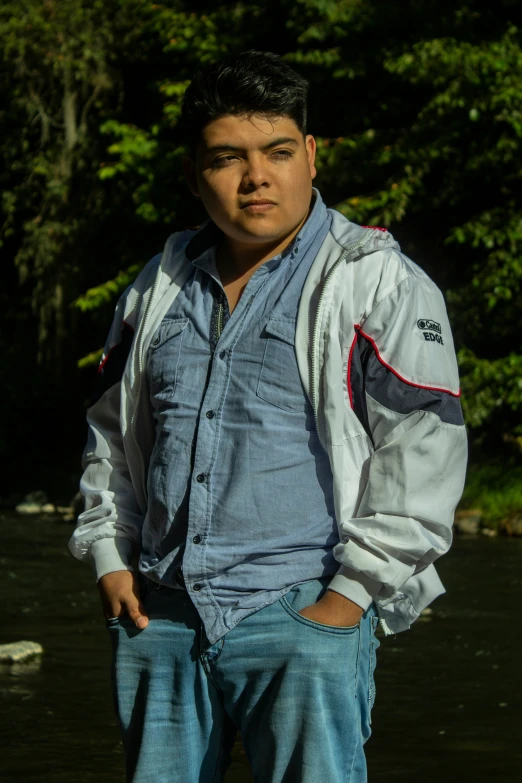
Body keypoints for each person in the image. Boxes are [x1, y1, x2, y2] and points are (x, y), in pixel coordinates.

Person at [69, 50, 467, 783]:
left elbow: (424, 453)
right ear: (194, 175)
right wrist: (108, 556)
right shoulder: (155, 288)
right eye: (228, 157)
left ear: (311, 156)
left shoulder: (376, 279)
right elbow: (111, 433)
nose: (257, 176)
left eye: (278, 152)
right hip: (160, 618)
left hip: (302, 612)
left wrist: (347, 601)